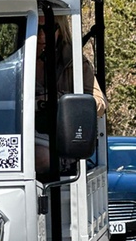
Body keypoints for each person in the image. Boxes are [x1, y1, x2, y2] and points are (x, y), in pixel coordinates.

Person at [35, 15, 108, 173]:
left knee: (39, 158)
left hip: (62, 141)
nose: (41, 35)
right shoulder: (16, 63)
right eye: (34, 28)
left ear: (60, 30)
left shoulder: (75, 63)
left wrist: (63, 103)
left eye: (47, 29)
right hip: (24, 135)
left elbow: (99, 104)